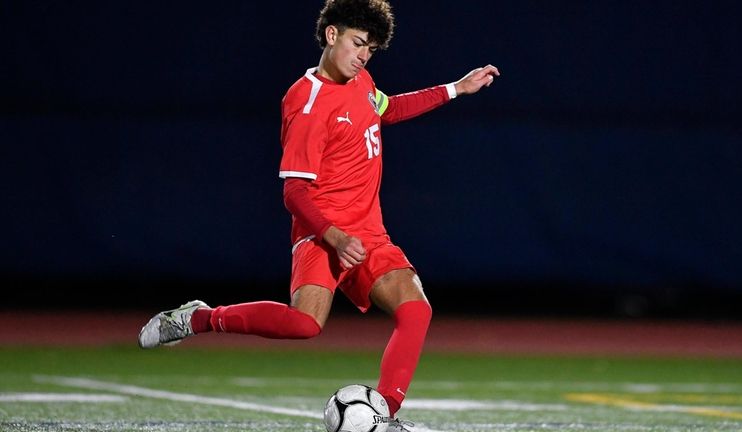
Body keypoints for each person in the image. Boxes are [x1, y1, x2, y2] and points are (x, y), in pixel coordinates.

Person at [138, 0, 498, 430]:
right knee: (305, 325)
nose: (364, 55)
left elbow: (387, 109)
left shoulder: (361, 79)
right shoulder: (307, 103)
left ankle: (383, 414)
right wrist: (334, 237)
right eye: (357, 43)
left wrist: (456, 88)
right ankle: (199, 318)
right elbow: (293, 192)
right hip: (321, 233)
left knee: (416, 310)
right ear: (332, 35)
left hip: (369, 233)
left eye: (371, 49)